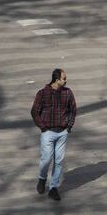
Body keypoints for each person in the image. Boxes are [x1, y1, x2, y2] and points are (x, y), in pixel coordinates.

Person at [31, 68, 77, 201]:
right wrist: (43, 127)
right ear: (57, 80)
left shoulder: (68, 93)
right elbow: (34, 111)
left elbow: (73, 110)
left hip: (62, 132)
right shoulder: (42, 93)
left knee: (59, 161)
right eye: (64, 78)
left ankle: (53, 188)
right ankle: (42, 179)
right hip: (48, 132)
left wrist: (69, 126)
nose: (66, 80)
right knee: (46, 159)